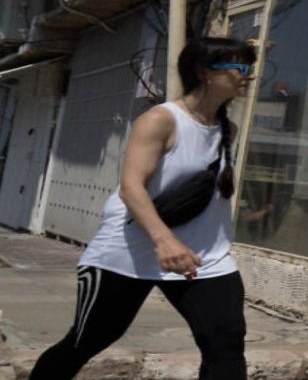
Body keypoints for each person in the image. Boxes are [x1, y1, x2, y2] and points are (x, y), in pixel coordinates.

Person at [31, 37, 257, 380]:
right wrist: (164, 240)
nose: (248, 76)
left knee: (225, 346)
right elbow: (131, 187)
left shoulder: (228, 129)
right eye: (239, 68)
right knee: (88, 340)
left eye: (250, 68)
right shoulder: (160, 120)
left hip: (205, 257)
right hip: (129, 252)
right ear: (204, 72)